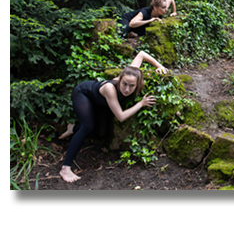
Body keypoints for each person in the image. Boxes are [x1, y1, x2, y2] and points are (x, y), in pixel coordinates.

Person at [58, 51, 168, 183]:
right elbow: (121, 116)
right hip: (84, 94)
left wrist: (159, 66)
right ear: (120, 79)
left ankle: (73, 128)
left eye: (132, 86)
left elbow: (142, 54)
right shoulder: (111, 88)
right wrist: (141, 104)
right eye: (124, 84)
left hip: (102, 103)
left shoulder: (133, 73)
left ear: (137, 83)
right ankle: (65, 168)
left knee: (100, 134)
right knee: (87, 126)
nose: (127, 89)